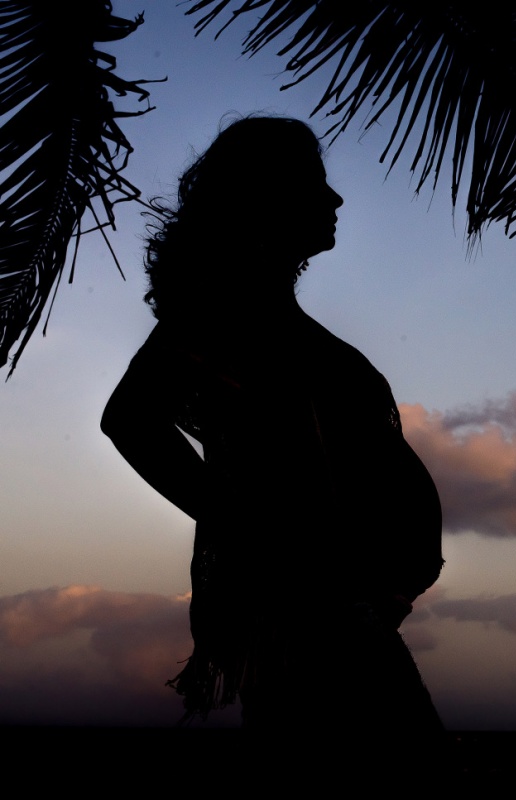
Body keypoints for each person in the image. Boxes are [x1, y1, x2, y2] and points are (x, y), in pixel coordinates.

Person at [101, 117, 444, 732]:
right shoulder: (225, 308)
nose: (335, 199)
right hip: (312, 619)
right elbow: (131, 419)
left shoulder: (268, 316)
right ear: (265, 197)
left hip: (344, 613)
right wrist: (262, 536)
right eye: (316, 184)